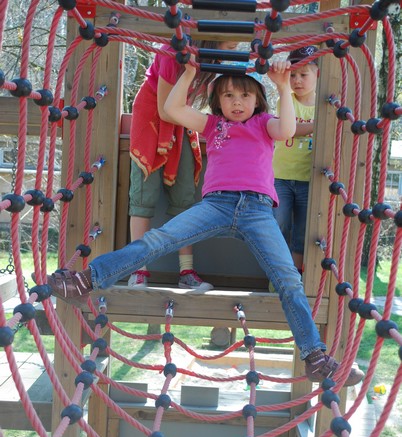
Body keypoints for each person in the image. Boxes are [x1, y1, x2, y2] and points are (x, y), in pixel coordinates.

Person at [44, 59, 364, 387]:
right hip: (216, 205)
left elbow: (287, 130)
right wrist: (189, 73)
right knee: (158, 240)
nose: (236, 102)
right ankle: (86, 280)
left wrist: (282, 85)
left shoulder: (264, 124)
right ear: (216, 101)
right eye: (227, 96)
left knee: (288, 281)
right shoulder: (213, 126)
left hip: (257, 210)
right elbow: (173, 108)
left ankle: (315, 358)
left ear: (257, 100)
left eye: (244, 96)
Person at [128, 39, 238, 291]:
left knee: (185, 192)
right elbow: (166, 111)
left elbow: (213, 101)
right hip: (155, 115)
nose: (235, 51)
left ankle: (187, 270)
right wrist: (211, 126)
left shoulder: (212, 60)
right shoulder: (173, 54)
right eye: (231, 46)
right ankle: (138, 268)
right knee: (144, 191)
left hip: (181, 115)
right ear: (211, 37)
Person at [273, 46, 319, 276]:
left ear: (317, 74)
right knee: (279, 225)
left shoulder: (325, 105)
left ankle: (294, 276)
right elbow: (290, 130)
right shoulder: (286, 100)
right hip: (281, 176)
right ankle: (278, 274)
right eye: (292, 75)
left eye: (303, 74)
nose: (297, 80)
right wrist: (317, 126)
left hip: (308, 179)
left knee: (302, 232)